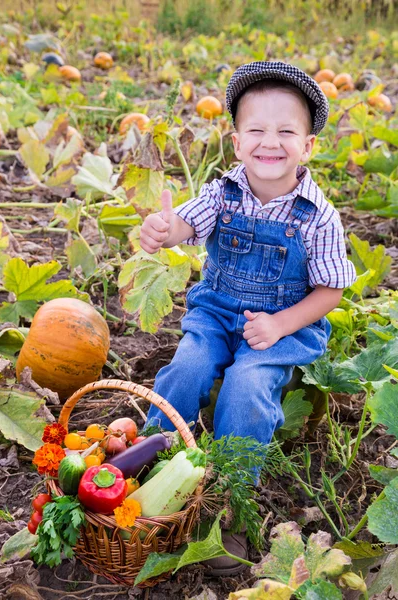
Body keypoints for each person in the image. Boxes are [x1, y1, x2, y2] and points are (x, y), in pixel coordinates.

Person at [139, 61, 357, 574]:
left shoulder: (318, 215)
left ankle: (233, 505)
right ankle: (149, 461)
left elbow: (332, 289)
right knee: (188, 366)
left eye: (287, 131)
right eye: (257, 130)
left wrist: (282, 325)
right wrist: (164, 229)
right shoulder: (223, 192)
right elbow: (184, 226)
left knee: (246, 386)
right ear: (237, 143)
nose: (270, 142)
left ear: (307, 147)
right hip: (218, 311)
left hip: (283, 323)